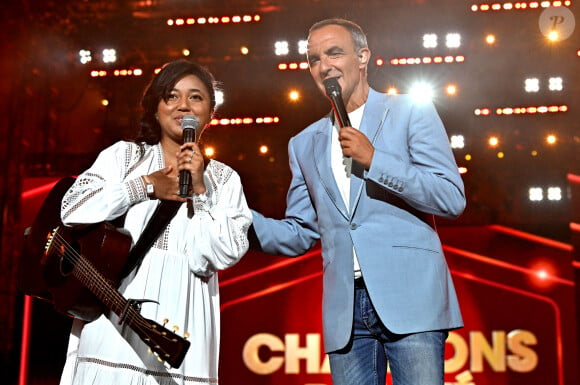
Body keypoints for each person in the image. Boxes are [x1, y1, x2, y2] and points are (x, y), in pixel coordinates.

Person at [250, 18, 466, 385]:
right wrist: (236, 219)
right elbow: (300, 232)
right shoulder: (304, 143)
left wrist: (376, 160)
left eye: (334, 53)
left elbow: (450, 197)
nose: (324, 65)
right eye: (314, 59)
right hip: (345, 312)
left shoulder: (410, 112)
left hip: (411, 298)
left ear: (363, 56)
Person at [58, 59, 252, 384]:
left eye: (196, 97)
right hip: (112, 327)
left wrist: (201, 191)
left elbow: (220, 255)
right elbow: (72, 208)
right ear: (156, 107)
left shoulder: (224, 179)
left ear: (210, 113)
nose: (183, 106)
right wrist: (144, 186)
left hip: (182, 330)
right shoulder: (124, 157)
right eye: (171, 96)